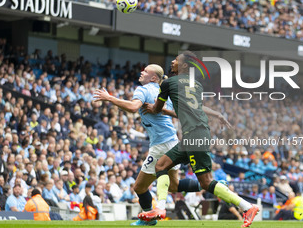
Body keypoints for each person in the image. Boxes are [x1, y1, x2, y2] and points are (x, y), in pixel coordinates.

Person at [139, 51, 259, 228]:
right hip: (196, 134)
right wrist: (216, 113)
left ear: (185, 65)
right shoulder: (196, 85)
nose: (172, 62)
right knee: (162, 166)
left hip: (194, 134)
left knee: (206, 181)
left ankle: (247, 207)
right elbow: (191, 111)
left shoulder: (169, 83)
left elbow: (156, 108)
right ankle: (161, 209)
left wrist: (155, 108)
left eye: (176, 60)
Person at [94, 64, 202, 226]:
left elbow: (132, 107)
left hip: (160, 144)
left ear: (153, 78)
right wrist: (161, 110)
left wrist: (109, 98)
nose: (141, 72)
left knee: (139, 187)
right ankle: (209, 184)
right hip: (172, 141)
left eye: (145, 71)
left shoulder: (143, 90)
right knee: (173, 186)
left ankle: (148, 219)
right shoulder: (165, 92)